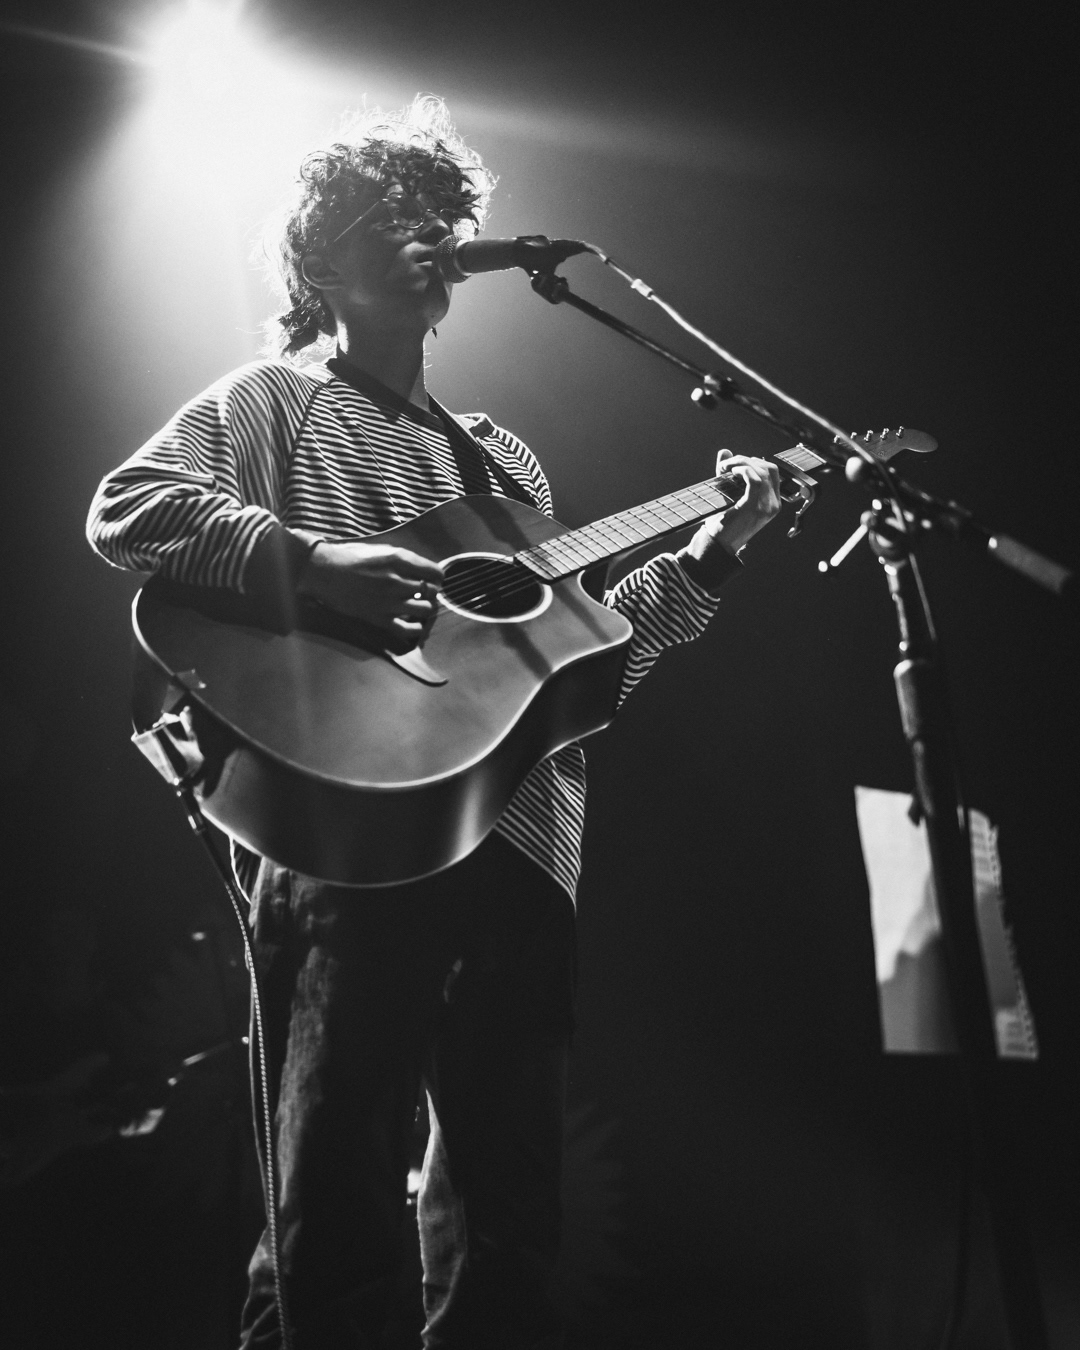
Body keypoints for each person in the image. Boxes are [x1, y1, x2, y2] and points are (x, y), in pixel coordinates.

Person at [86, 97, 781, 1350]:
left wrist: (718, 547)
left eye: (435, 216)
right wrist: (314, 565)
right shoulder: (273, 405)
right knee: (332, 1205)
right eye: (385, 217)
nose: (424, 236)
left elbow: (580, 677)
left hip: (520, 844)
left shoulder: (503, 467)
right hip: (350, 828)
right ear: (320, 257)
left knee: (511, 1226)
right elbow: (129, 508)